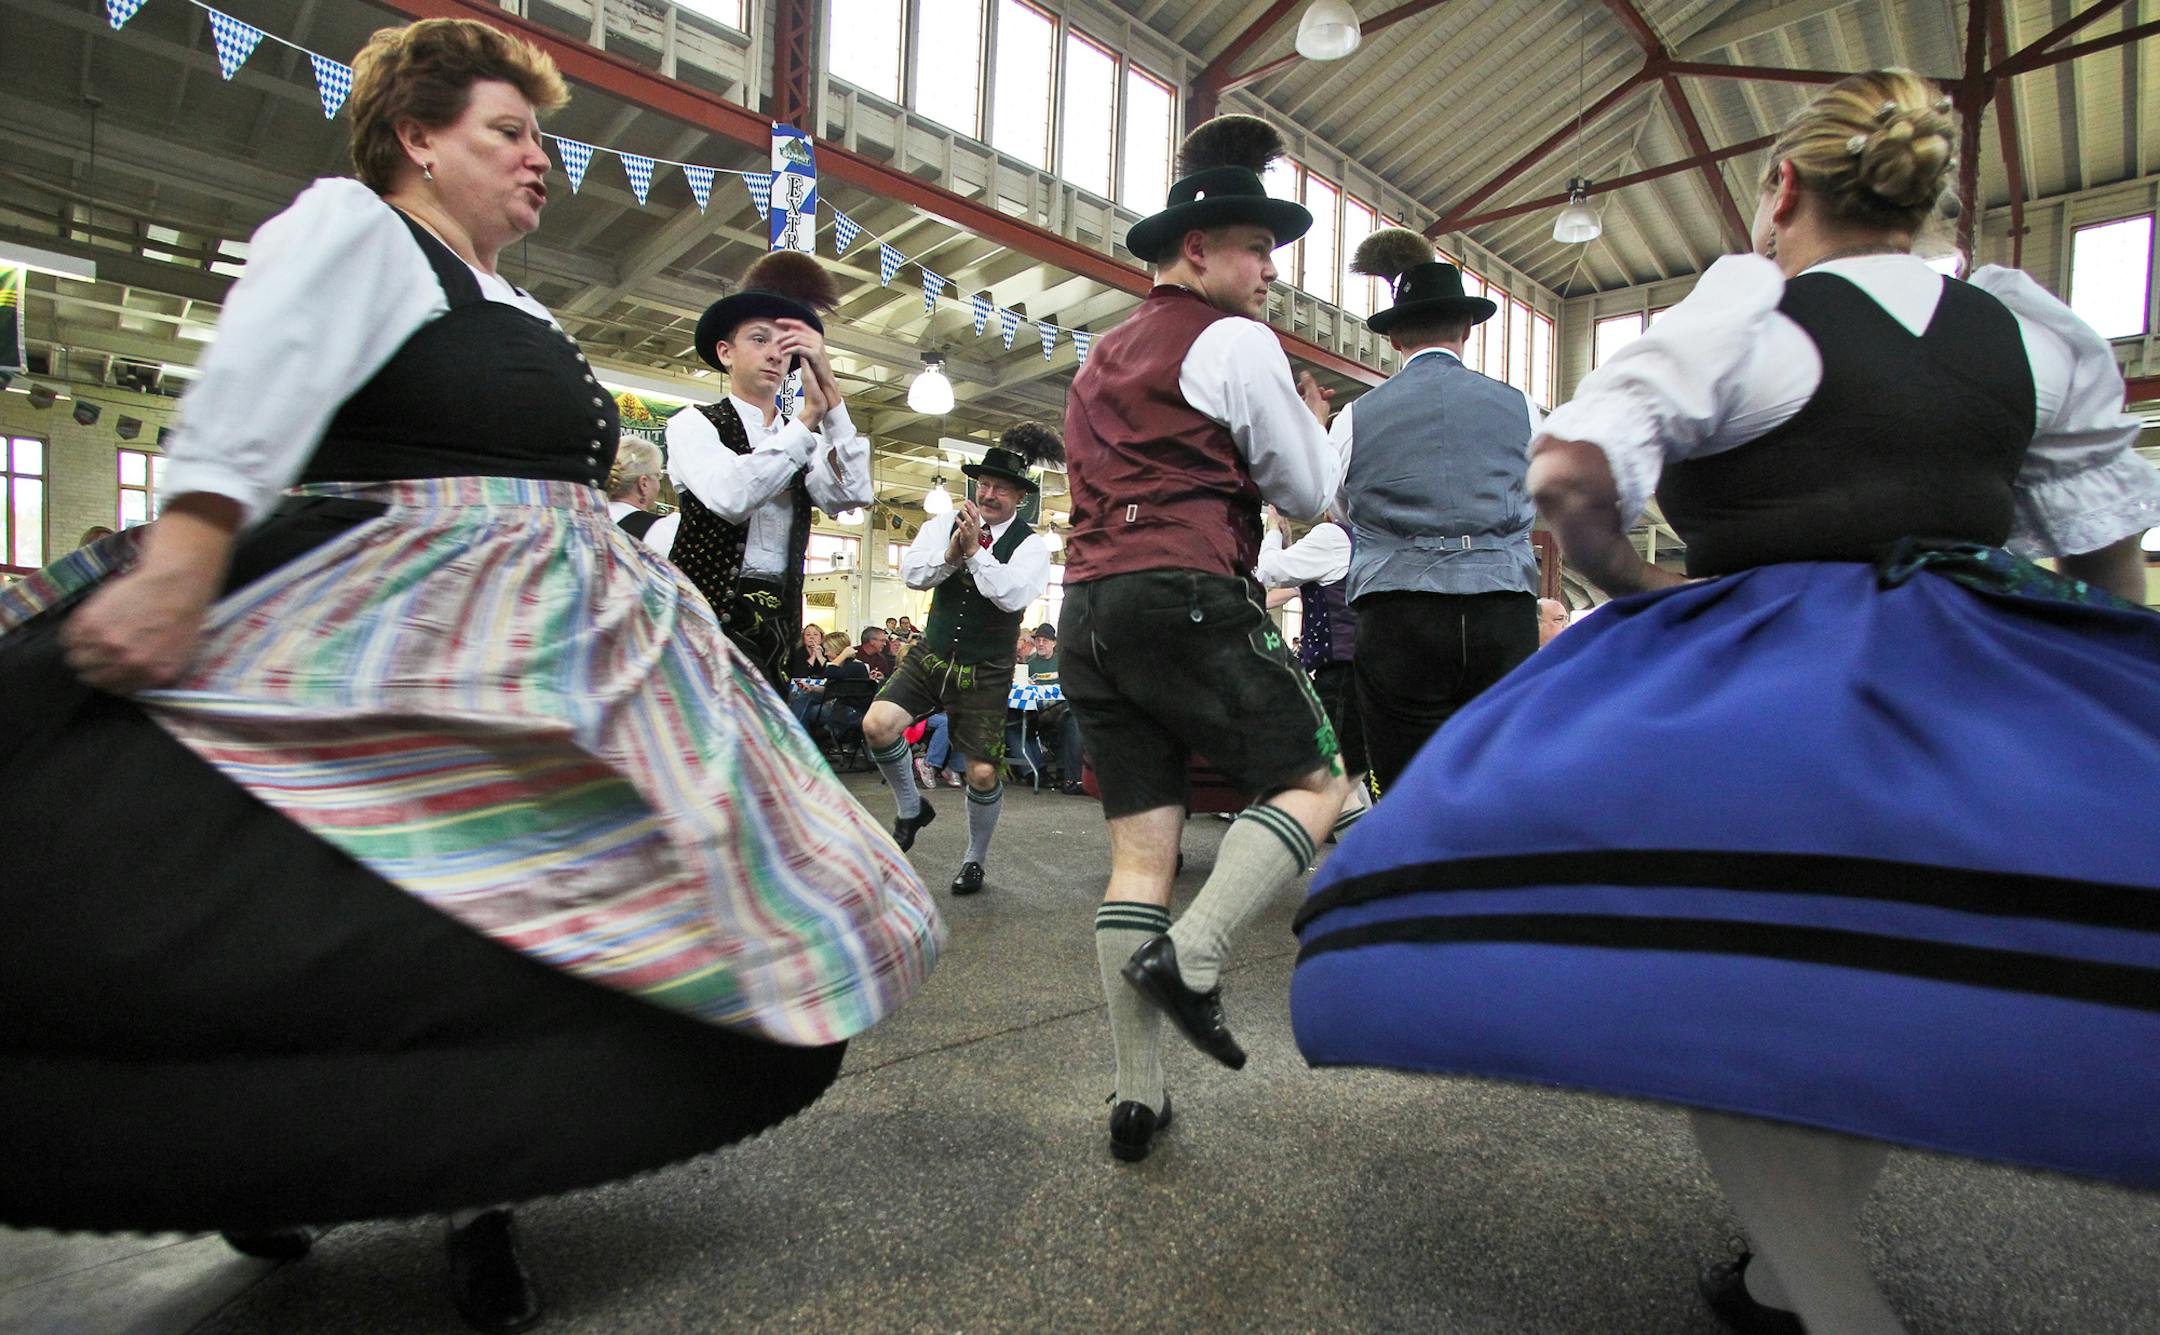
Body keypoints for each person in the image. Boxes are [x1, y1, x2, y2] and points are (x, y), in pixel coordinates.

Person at [0, 20, 940, 1334]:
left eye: (542, 136)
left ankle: (480, 1192)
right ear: (416, 137)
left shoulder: (517, 305)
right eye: (509, 131)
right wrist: (189, 547)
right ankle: (276, 1155)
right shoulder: (352, 225)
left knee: (515, 914)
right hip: (398, 603)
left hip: (544, 622)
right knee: (351, 906)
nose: (539, 159)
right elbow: (260, 371)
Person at [1290, 70, 2160, 1335]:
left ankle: (1835, 1303)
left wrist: (1646, 592)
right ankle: (1776, 1278)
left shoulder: (1755, 318)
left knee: (1742, 969)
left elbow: (1572, 473)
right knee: (1873, 965)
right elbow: (2106, 550)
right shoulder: (2028, 335)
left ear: (1783, 191)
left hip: (1774, 675)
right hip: (1969, 668)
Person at [1060, 115, 1352, 1163]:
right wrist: (1309, 419)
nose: (1270, 272)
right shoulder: (1233, 339)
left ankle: (1136, 1099)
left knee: (1140, 855)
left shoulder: (1099, 355)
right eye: (1256, 249)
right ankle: (1199, 952)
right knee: (1317, 781)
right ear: (1199, 251)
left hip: (1086, 609)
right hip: (1181, 586)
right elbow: (1308, 492)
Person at [1330, 227, 1542, 794]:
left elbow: (1337, 504)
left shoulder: (1355, 417)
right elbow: (1543, 491)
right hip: (1502, 605)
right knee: (1500, 771)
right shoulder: (1521, 406)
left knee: (1405, 779)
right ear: (1467, 328)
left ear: (1395, 337)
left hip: (1400, 610)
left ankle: (1413, 873)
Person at [861, 425, 1059, 897]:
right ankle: (911, 807)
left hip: (986, 669)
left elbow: (1010, 597)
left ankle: (974, 859)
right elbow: (913, 575)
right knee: (877, 724)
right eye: (983, 486)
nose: (989, 495)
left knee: (984, 773)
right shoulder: (943, 522)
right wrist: (953, 551)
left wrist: (974, 553)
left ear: (1019, 498)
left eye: (1000, 489)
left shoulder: (1032, 547)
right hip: (931, 655)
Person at [667, 250, 869, 692]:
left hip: (779, 616)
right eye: (759, 339)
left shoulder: (802, 436)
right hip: (705, 610)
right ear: (725, 352)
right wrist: (806, 422)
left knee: (765, 745)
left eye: (783, 344)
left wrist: (831, 404)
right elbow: (731, 497)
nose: (773, 354)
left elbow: (851, 495)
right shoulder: (692, 424)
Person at [1254, 508, 1369, 814]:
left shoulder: (1331, 537)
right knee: (1348, 777)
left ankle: (1375, 858)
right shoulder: (1367, 540)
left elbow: (1268, 571)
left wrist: (1275, 531)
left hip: (1340, 673)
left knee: (1330, 782)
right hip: (1364, 670)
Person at [1016, 622, 1086, 794]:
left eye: (1045, 640)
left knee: (1070, 719)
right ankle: (1069, 776)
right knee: (1069, 719)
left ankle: (1069, 775)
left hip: (1063, 709)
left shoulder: (1063, 662)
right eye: (1038, 640)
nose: (1040, 643)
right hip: (1037, 712)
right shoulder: (1029, 664)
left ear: (1054, 643)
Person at [604, 436, 678, 557]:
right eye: (658, 476)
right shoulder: (661, 530)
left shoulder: (584, 518)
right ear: (643, 483)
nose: (658, 483)